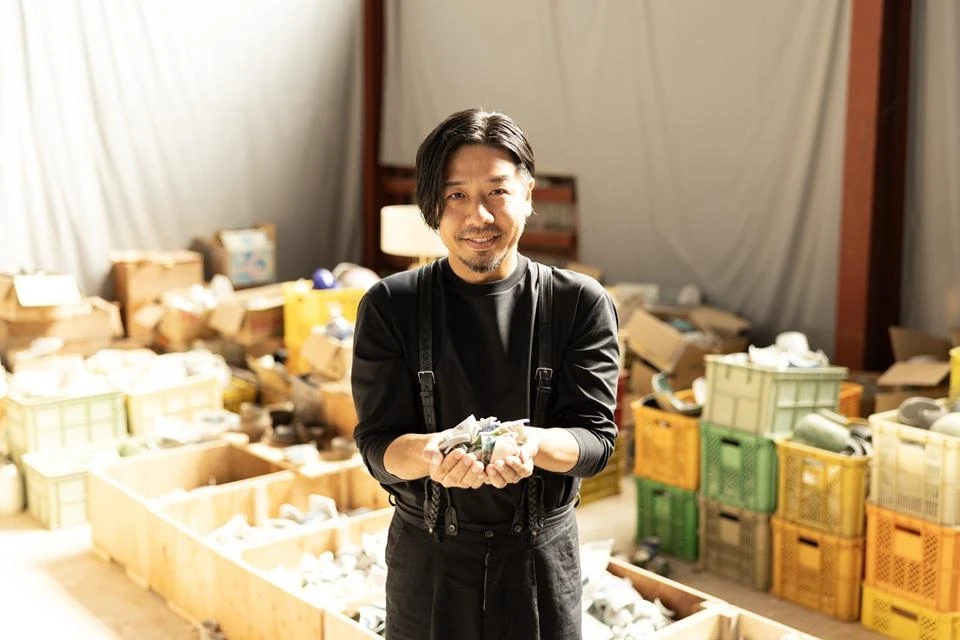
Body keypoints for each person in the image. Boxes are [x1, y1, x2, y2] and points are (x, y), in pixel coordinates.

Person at [352, 108, 620, 640]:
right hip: (428, 561)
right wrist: (431, 456)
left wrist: (532, 445)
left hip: (539, 562)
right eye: (455, 195)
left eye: (497, 192)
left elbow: (596, 442)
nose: (479, 215)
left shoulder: (580, 304)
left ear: (527, 195)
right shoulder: (390, 306)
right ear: (433, 207)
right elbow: (378, 446)